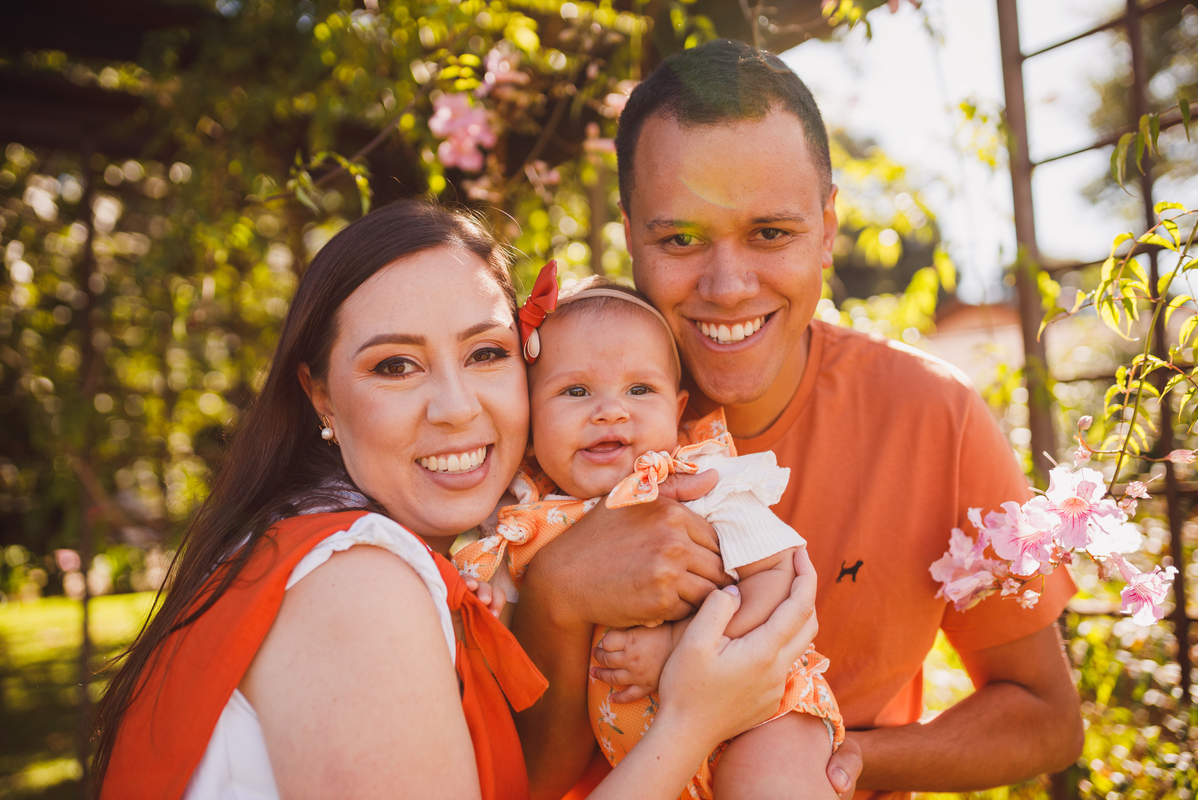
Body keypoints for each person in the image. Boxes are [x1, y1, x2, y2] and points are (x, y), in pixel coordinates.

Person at [90, 200, 829, 800]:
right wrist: (693, 722)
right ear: (320, 396)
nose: (455, 407)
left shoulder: (415, 558)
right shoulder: (359, 583)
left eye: (485, 353)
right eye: (395, 365)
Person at [511, 40, 1084, 800]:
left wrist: (834, 758)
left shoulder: (930, 414)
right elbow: (524, 779)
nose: (728, 285)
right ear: (630, 235)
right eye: (680, 238)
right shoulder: (547, 420)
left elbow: (1046, 718)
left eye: (770, 233)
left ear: (827, 228)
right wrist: (557, 591)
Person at [453, 271, 843, 800]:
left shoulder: (701, 483)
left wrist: (676, 647)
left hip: (763, 718)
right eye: (575, 391)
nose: (611, 410)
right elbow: (514, 656)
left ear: (676, 411)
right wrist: (487, 608)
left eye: (640, 390)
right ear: (528, 416)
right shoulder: (521, 524)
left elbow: (781, 581)